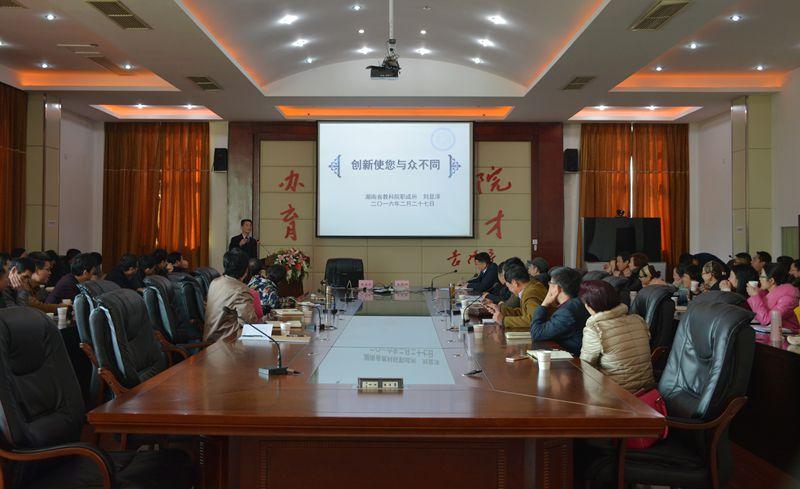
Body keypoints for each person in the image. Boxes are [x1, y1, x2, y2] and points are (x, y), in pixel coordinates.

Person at [578, 280, 655, 393]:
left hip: (617, 394)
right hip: (647, 391)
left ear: (588, 305)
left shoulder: (596, 330)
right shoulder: (638, 320)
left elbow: (585, 366)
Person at [530, 267, 589, 355]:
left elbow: (536, 333)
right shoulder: (578, 303)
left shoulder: (567, 312)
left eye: (550, 283)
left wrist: (544, 303)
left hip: (573, 359)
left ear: (556, 288)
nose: (548, 286)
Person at [204, 249, 258, 343]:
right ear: (246, 270)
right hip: (227, 343)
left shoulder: (215, 282)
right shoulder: (241, 289)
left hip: (209, 340)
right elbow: (250, 323)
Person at [486, 262, 546, 331]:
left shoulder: (531, 293)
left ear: (514, 283)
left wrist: (504, 320)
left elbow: (533, 320)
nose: (508, 288)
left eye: (507, 285)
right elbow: (524, 313)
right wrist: (501, 309)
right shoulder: (530, 287)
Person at [746, 263, 800, 331]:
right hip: (771, 332)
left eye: (762, 276)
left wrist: (755, 297)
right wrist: (758, 295)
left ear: (771, 280)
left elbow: (767, 320)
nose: (759, 278)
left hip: (788, 334)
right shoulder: (766, 294)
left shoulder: (788, 297)